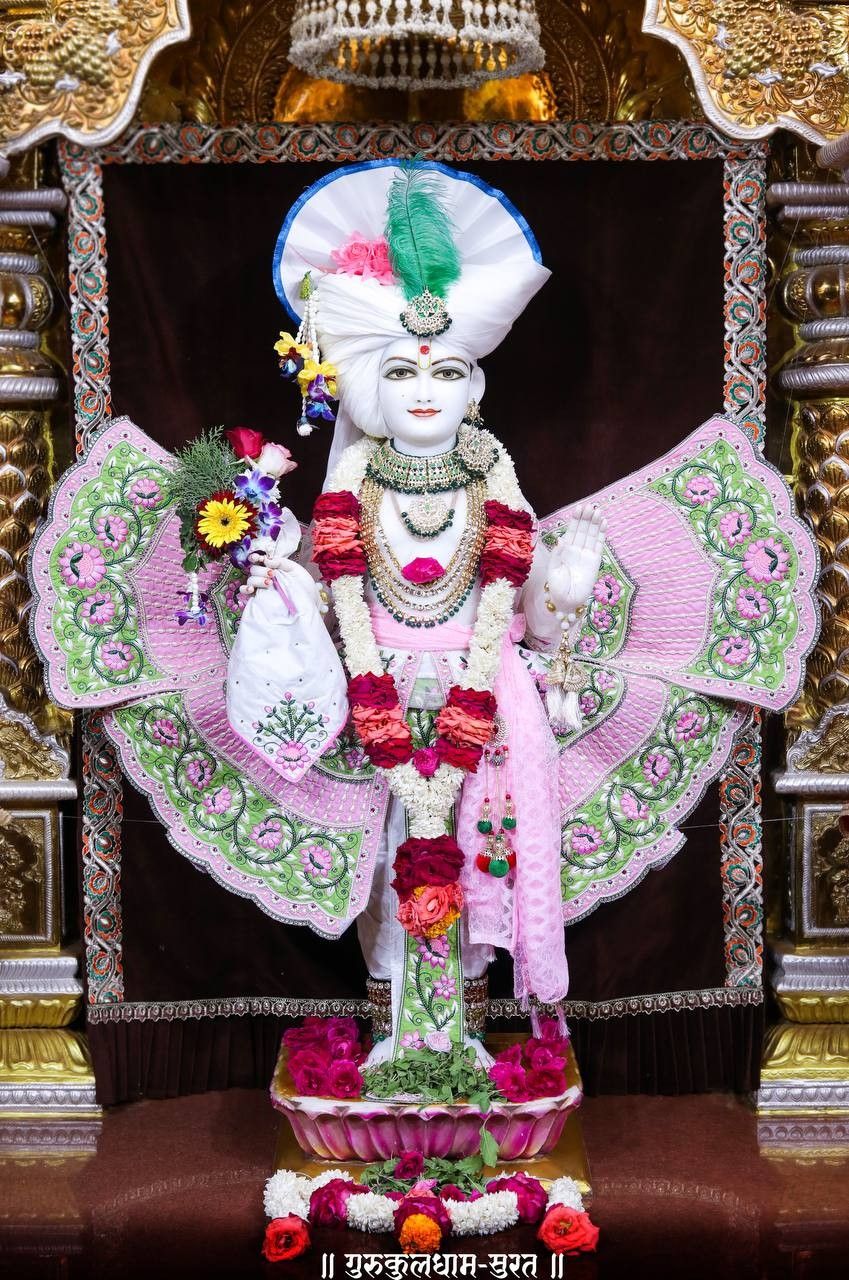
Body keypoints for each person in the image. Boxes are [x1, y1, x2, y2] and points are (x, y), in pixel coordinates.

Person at [32, 160, 818, 1069]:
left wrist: (562, 588)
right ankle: (395, 1042)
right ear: (371, 387)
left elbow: (527, 607)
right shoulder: (352, 486)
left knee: (482, 858)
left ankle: (459, 1045)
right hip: (368, 695)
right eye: (401, 369)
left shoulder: (493, 484)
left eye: (445, 371)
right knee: (380, 870)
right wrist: (275, 578)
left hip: (486, 699)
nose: (423, 388)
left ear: (472, 391)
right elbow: (332, 591)